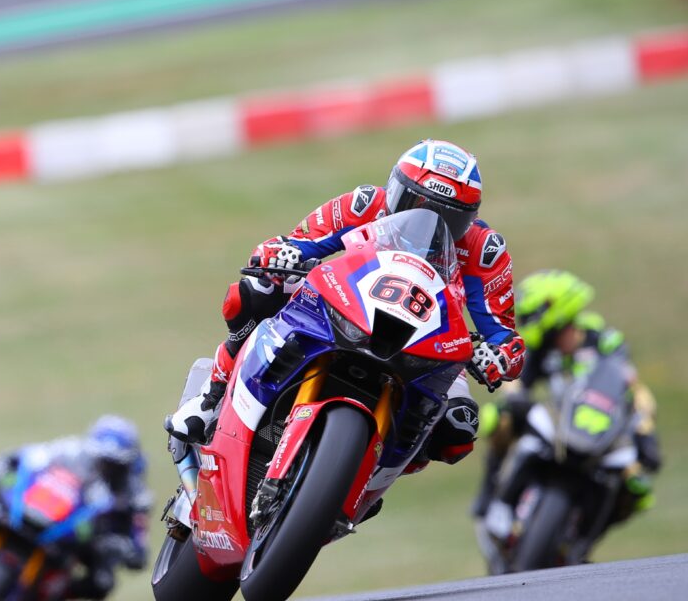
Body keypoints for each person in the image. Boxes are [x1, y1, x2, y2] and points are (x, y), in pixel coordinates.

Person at [166, 139, 526, 467]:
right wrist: (281, 254)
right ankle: (212, 397)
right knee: (258, 289)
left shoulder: (484, 250)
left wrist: (498, 357)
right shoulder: (367, 203)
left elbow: (504, 336)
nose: (431, 224)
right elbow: (294, 242)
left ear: (469, 219)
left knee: (458, 428)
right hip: (344, 306)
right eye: (415, 205)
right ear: (396, 191)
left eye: (449, 218)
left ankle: (372, 478)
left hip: (426, 342)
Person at [472, 270, 662, 525]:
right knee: (498, 417)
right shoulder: (541, 349)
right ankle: (491, 490)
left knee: (638, 487)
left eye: (533, 314)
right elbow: (517, 381)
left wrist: (645, 429)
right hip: (557, 421)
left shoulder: (602, 339)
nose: (527, 322)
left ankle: (587, 535)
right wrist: (513, 398)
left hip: (599, 426)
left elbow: (632, 386)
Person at [0, 415, 151, 600]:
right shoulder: (70, 452)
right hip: (45, 519)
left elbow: (139, 549)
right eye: (102, 461)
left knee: (101, 582)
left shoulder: (134, 494)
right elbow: (32, 456)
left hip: (83, 543)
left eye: (113, 465)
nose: (106, 468)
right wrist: (1, 464)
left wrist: (121, 547)